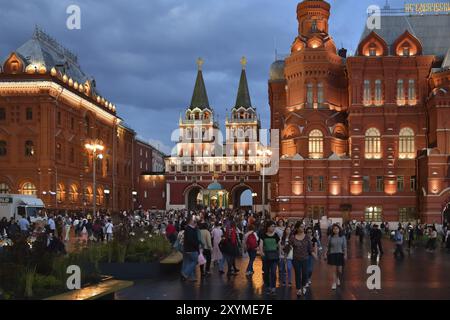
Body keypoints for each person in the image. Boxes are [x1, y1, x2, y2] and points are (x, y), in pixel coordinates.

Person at [259, 220, 281, 296]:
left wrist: (280, 253)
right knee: (266, 273)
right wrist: (261, 252)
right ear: (268, 227)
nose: (273, 228)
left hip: (274, 256)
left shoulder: (276, 235)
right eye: (272, 226)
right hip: (266, 256)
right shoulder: (263, 235)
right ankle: (268, 286)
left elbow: (279, 245)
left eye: (274, 226)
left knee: (274, 272)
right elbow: (261, 244)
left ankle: (273, 288)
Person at [290, 223, 311, 296]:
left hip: (305, 258)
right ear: (297, 228)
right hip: (296, 259)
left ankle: (304, 286)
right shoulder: (293, 237)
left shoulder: (307, 237)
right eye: (301, 227)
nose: (302, 228)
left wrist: (313, 254)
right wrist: (285, 255)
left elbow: (310, 247)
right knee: (298, 273)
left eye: (303, 227)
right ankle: (299, 288)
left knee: (305, 273)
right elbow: (289, 246)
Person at [324, 224, 347, 290]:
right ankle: (334, 282)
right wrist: (325, 254)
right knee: (333, 270)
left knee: (339, 270)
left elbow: (344, 247)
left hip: (340, 254)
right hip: (332, 254)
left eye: (337, 228)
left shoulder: (342, 237)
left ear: (339, 229)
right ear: (332, 230)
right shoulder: (330, 237)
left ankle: (338, 278)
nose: (335, 230)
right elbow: (327, 246)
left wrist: (345, 254)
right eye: (334, 229)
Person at [181, 215, 200, 282]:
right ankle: (185, 273)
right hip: (191, 249)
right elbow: (191, 240)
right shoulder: (190, 229)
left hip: (187, 249)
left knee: (189, 262)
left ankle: (191, 277)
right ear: (190, 221)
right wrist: (196, 245)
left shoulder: (189, 228)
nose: (194, 221)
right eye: (193, 220)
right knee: (194, 262)